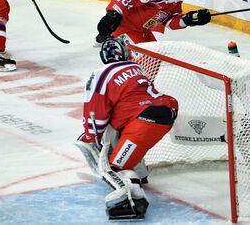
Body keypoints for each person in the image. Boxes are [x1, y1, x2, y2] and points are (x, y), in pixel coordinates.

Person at [76, 37, 179, 220]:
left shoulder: (100, 74)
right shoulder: (136, 68)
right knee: (121, 128)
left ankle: (131, 202)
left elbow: (96, 114)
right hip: (165, 111)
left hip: (145, 121)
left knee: (113, 168)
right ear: (125, 53)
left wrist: (90, 136)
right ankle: (139, 172)